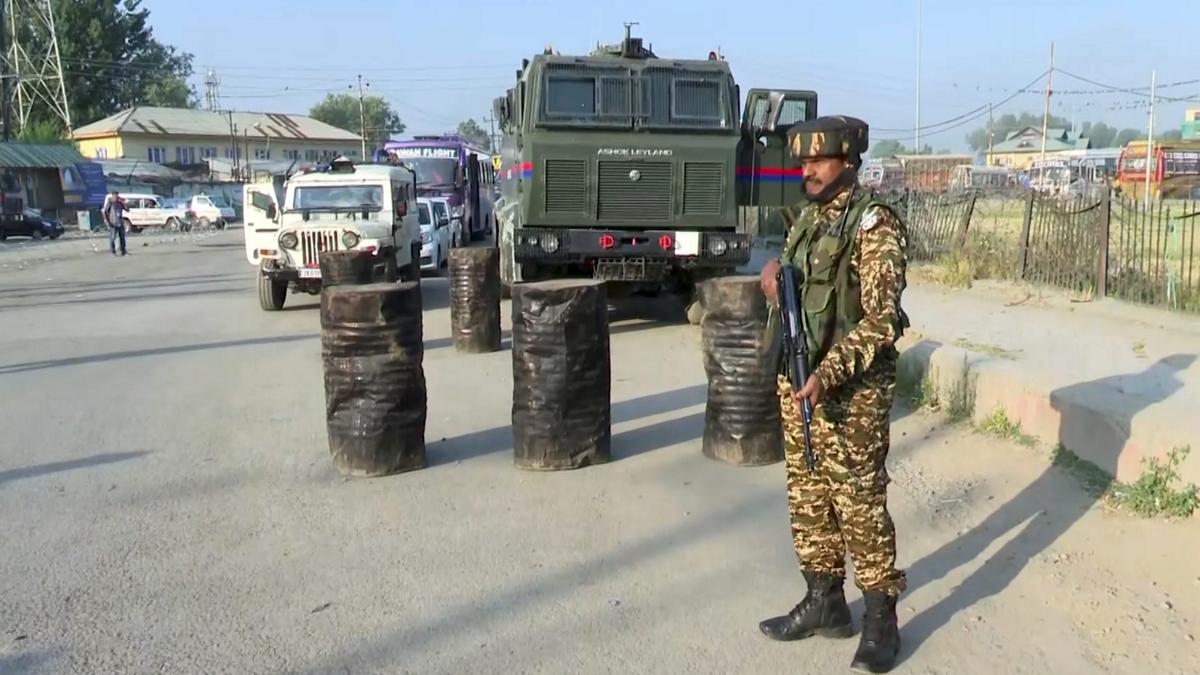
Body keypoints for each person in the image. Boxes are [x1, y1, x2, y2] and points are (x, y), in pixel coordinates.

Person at [757, 115, 910, 674]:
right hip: (801, 384)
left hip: (851, 395)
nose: (810, 171)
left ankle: (879, 620)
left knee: (860, 505)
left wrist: (831, 372)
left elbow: (882, 322)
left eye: (819, 162)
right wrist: (774, 274)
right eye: (804, 163)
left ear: (848, 162)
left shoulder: (873, 225)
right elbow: (795, 287)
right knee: (808, 497)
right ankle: (824, 601)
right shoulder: (807, 221)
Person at [102, 191, 128, 256]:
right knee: (113, 237)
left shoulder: (120, 203)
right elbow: (105, 212)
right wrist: (108, 222)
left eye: (117, 196)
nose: (116, 197)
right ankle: (112, 251)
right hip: (113, 223)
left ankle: (123, 251)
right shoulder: (110, 203)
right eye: (114, 196)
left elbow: (127, 210)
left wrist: (124, 203)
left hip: (120, 222)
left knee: (122, 237)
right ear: (112, 196)